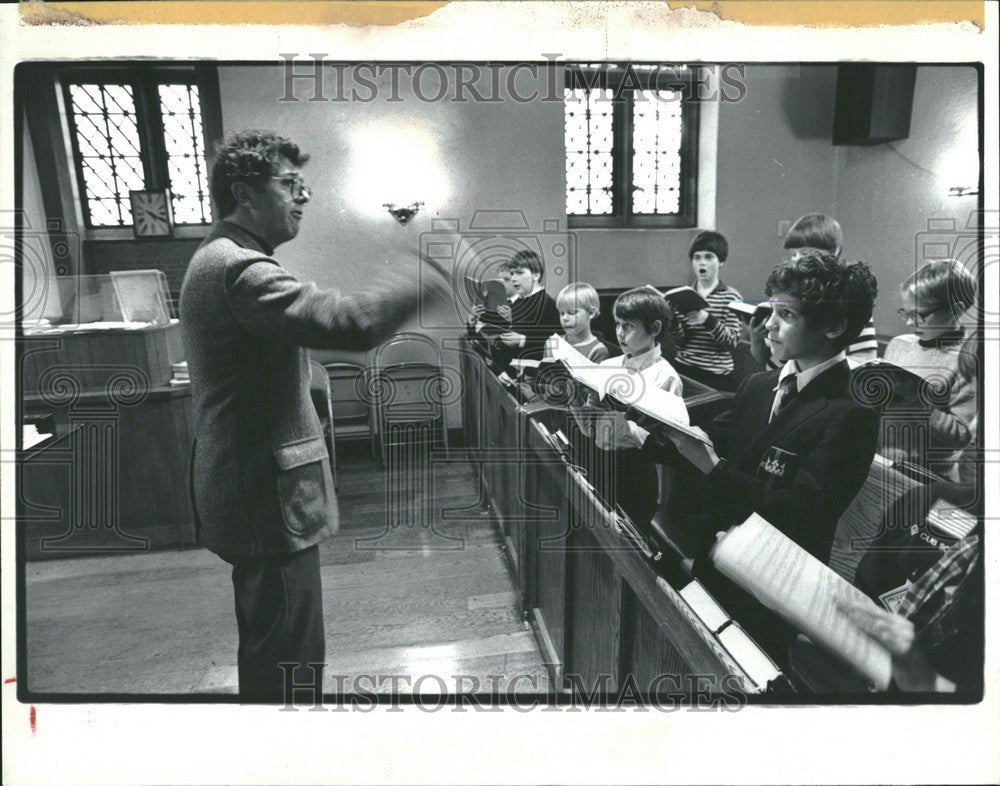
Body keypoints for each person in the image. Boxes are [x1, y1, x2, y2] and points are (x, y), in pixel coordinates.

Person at [180, 130, 450, 701]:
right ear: (244, 193)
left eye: (304, 185)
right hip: (264, 497)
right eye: (288, 184)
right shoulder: (239, 270)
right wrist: (427, 275)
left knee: (272, 645)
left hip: (250, 488)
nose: (302, 197)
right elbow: (351, 324)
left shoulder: (221, 259)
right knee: (290, 661)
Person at [641, 250, 881, 660]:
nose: (768, 324)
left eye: (786, 315)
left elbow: (802, 511)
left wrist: (714, 469)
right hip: (714, 561)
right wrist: (641, 427)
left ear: (834, 325)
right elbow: (703, 444)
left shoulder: (851, 413)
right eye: (772, 310)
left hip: (773, 589)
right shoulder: (759, 385)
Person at [573, 287, 682, 533]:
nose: (620, 333)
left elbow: (660, 443)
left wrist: (618, 413)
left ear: (654, 329)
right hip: (599, 461)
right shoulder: (609, 365)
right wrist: (578, 401)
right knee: (594, 531)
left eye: (629, 326)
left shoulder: (665, 376)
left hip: (635, 471)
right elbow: (588, 429)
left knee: (628, 540)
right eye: (617, 324)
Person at [881, 259, 977, 478]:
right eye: (905, 313)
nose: (909, 323)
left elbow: (961, 435)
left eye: (919, 315)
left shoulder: (966, 362)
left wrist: (917, 404)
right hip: (882, 461)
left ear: (956, 309)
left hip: (928, 476)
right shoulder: (898, 345)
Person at [749, 214, 878, 370]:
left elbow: (863, 362)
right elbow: (767, 364)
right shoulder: (785, 301)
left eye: (805, 253)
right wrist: (757, 340)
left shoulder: (845, 304)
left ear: (835, 252)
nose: (796, 261)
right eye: (793, 254)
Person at [664, 231, 743, 391]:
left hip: (716, 375)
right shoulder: (684, 295)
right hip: (684, 367)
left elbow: (731, 342)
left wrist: (708, 320)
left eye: (708, 257)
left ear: (720, 261)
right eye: (697, 257)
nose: (702, 263)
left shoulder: (731, 296)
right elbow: (681, 341)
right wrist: (672, 319)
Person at [493, 249, 561, 369]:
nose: (513, 278)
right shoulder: (518, 301)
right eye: (512, 273)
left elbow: (558, 346)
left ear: (536, 275)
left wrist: (522, 340)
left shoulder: (547, 304)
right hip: (510, 372)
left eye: (519, 273)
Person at [546, 282, 610, 363]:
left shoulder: (598, 350)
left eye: (572, 312)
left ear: (591, 313)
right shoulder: (553, 343)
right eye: (562, 313)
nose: (565, 318)